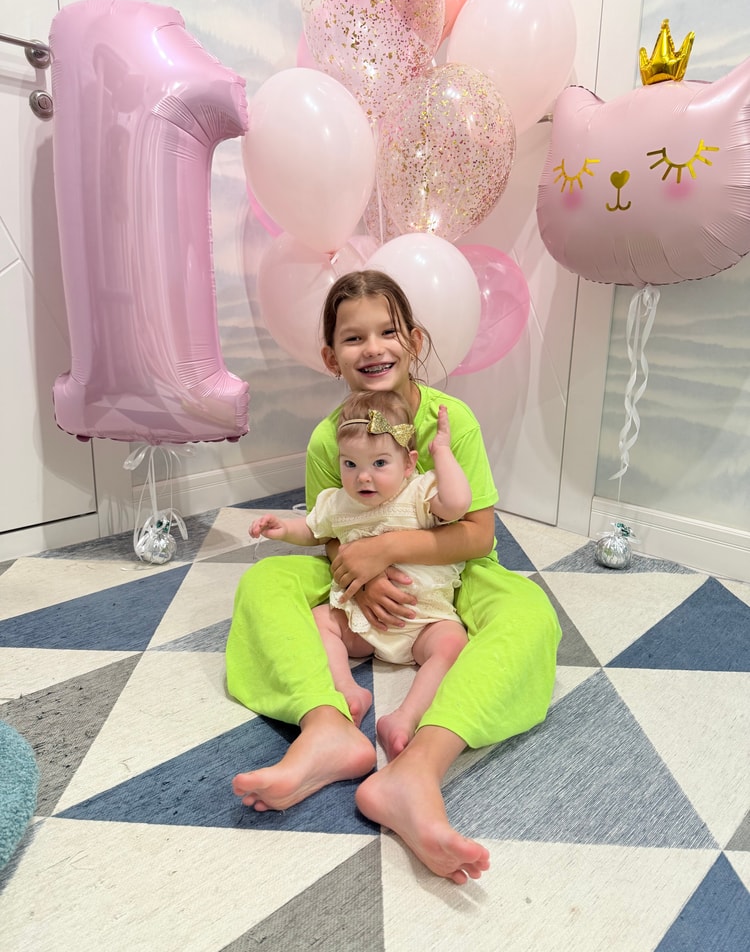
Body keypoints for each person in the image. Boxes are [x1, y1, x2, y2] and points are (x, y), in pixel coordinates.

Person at [227, 269, 561, 885]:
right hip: (355, 572)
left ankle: (417, 769)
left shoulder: (450, 420)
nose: (373, 348)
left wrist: (387, 550)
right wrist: (360, 572)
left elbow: (478, 534)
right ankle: (327, 727)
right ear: (331, 356)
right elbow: (330, 528)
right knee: (263, 584)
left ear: (414, 340)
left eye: (388, 332)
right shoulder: (328, 438)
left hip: (451, 569)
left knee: (530, 613)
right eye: (353, 338)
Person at [248, 389, 472, 761]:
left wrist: (443, 453)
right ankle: (347, 690)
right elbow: (314, 530)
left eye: (380, 463)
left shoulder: (419, 492)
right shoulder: (338, 502)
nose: (363, 477)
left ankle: (405, 718)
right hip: (361, 617)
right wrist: (283, 529)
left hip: (423, 619)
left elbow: (458, 504)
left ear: (408, 463)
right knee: (320, 620)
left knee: (452, 643)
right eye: (350, 464)